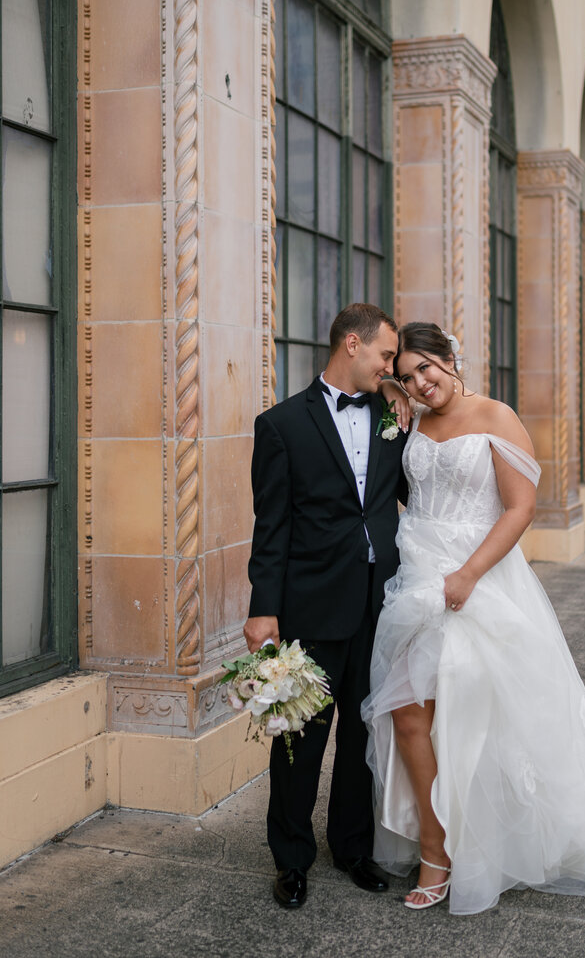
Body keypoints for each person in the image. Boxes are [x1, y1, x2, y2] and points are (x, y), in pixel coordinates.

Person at [362, 322, 585, 915]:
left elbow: (522, 507)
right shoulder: (412, 421)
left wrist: (469, 574)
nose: (421, 382)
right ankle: (435, 849)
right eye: (408, 375)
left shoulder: (498, 416)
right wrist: (394, 399)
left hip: (480, 579)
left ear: (452, 359)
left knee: (482, 714)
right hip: (418, 576)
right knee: (407, 717)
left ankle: (494, 840)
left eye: (428, 367)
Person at [245, 303, 408, 910]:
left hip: (381, 603)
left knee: (364, 733)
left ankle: (353, 848)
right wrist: (265, 609)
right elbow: (272, 527)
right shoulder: (282, 425)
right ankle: (290, 859)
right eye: (385, 354)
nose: (389, 367)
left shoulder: (394, 418)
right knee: (300, 740)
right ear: (351, 345)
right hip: (311, 606)